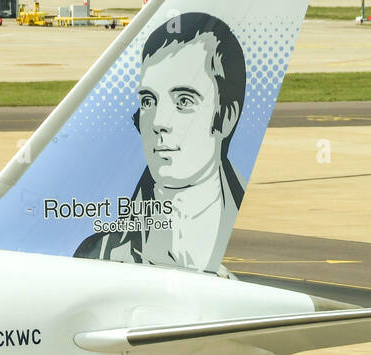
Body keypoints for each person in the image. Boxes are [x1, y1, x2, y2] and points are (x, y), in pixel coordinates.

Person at [74, 12, 246, 275]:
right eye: (148, 101)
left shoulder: (104, 257)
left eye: (184, 101)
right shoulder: (100, 252)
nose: (158, 122)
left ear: (226, 116)